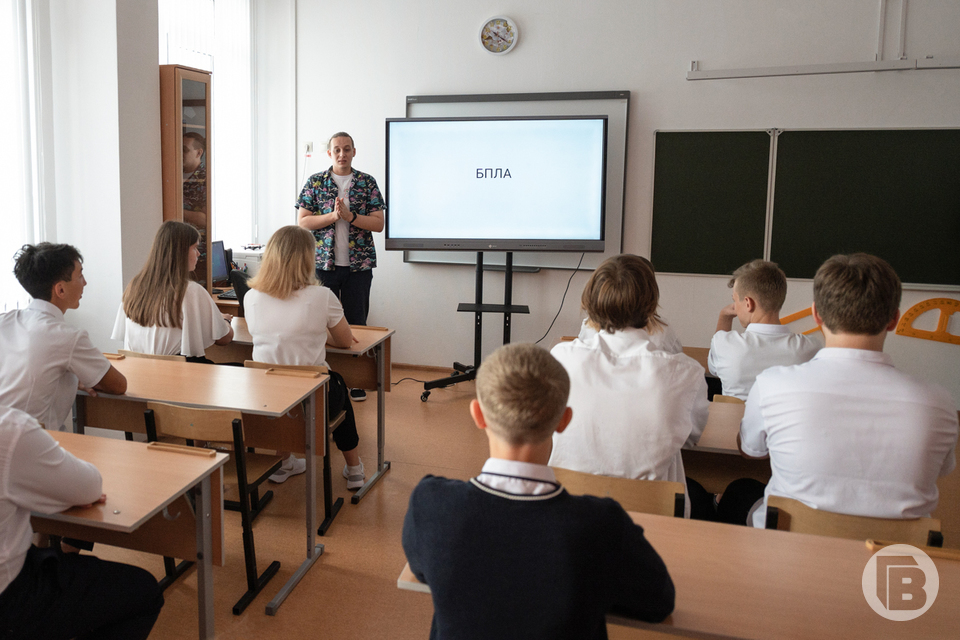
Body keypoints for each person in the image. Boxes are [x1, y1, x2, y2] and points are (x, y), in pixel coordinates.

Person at [402, 343, 675, 639]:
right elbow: (658, 602)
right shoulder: (602, 526)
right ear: (564, 420)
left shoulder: (431, 505)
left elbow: (422, 569)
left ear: (478, 415)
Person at [719, 253, 959, 527]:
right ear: (893, 320)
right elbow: (942, 469)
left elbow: (751, 451)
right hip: (891, 557)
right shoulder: (940, 404)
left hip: (789, 550)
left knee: (739, 492)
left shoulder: (773, 385)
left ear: (817, 315)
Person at [548, 254, 710, 517]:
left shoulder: (561, 358)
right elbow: (692, 437)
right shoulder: (685, 372)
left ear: (590, 302)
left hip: (569, 514)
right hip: (651, 521)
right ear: (651, 306)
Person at [0, 404, 163, 639]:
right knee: (143, 592)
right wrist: (66, 495)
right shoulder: (10, 428)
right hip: (10, 596)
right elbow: (89, 487)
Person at [243, 226, 365, 488]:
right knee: (340, 387)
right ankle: (354, 469)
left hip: (264, 398)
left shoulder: (251, 297)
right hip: (312, 400)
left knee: (280, 379)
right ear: (307, 259)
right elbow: (344, 341)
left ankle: (283, 462)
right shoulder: (322, 296)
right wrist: (321, 332)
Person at [296, 131, 386, 402]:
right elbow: (303, 222)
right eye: (337, 149)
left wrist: (351, 216)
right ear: (330, 153)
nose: (342, 154)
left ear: (354, 152)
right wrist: (334, 216)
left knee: (357, 324)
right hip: (324, 267)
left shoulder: (367, 182)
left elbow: (379, 223)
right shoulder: (316, 182)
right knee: (321, 324)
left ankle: (356, 381)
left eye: (347, 149)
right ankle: (328, 379)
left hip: (358, 268)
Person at [0, 243, 126, 431]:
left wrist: (72, 379)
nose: (85, 283)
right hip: (36, 444)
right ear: (60, 290)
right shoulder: (68, 337)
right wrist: (80, 377)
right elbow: (118, 385)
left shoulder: (5, 321)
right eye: (80, 276)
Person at [112, 220, 233, 361]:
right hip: (178, 376)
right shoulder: (190, 291)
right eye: (194, 248)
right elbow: (224, 339)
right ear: (180, 252)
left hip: (139, 374)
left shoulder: (134, 286)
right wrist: (225, 322)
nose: (199, 254)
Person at [708, 259, 820, 400]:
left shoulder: (724, 344)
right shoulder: (811, 348)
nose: (735, 306)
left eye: (735, 300)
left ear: (748, 303)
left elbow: (714, 370)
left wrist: (724, 317)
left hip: (737, 422)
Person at [182, 132, 207, 229]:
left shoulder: (206, 179)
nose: (180, 153)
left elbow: (205, 220)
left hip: (196, 241)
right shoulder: (173, 174)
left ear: (199, 153)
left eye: (184, 150)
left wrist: (176, 210)